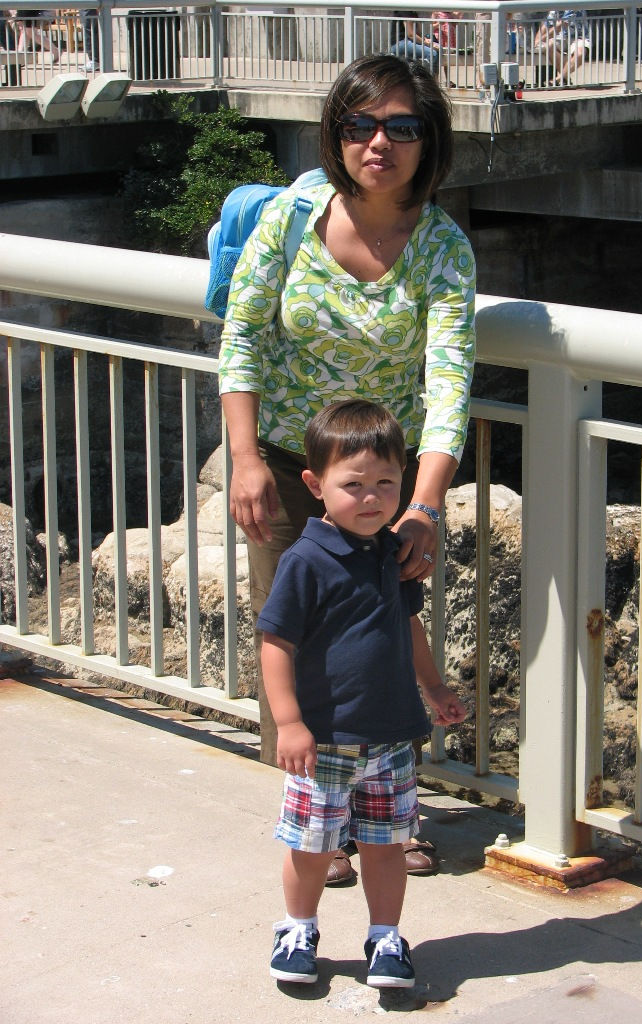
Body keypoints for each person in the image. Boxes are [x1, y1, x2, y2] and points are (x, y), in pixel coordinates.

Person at [218, 54, 476, 882]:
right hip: (289, 467)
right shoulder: (294, 217)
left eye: (402, 127)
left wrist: (423, 506)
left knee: (383, 637)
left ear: (428, 140)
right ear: (336, 134)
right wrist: (245, 458)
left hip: (381, 483)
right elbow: (242, 333)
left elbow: (449, 384)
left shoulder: (443, 248)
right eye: (360, 125)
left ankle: (389, 816)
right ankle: (316, 821)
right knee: (296, 636)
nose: (379, 143)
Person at [258, 399, 468, 987]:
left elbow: (408, 625)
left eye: (386, 483)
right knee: (311, 847)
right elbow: (276, 643)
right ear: (315, 486)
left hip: (391, 737)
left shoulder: (394, 551)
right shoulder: (305, 560)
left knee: (386, 845)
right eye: (353, 485)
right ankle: (297, 927)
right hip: (324, 740)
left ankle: (385, 936)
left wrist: (433, 686)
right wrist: (289, 723)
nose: (371, 498)